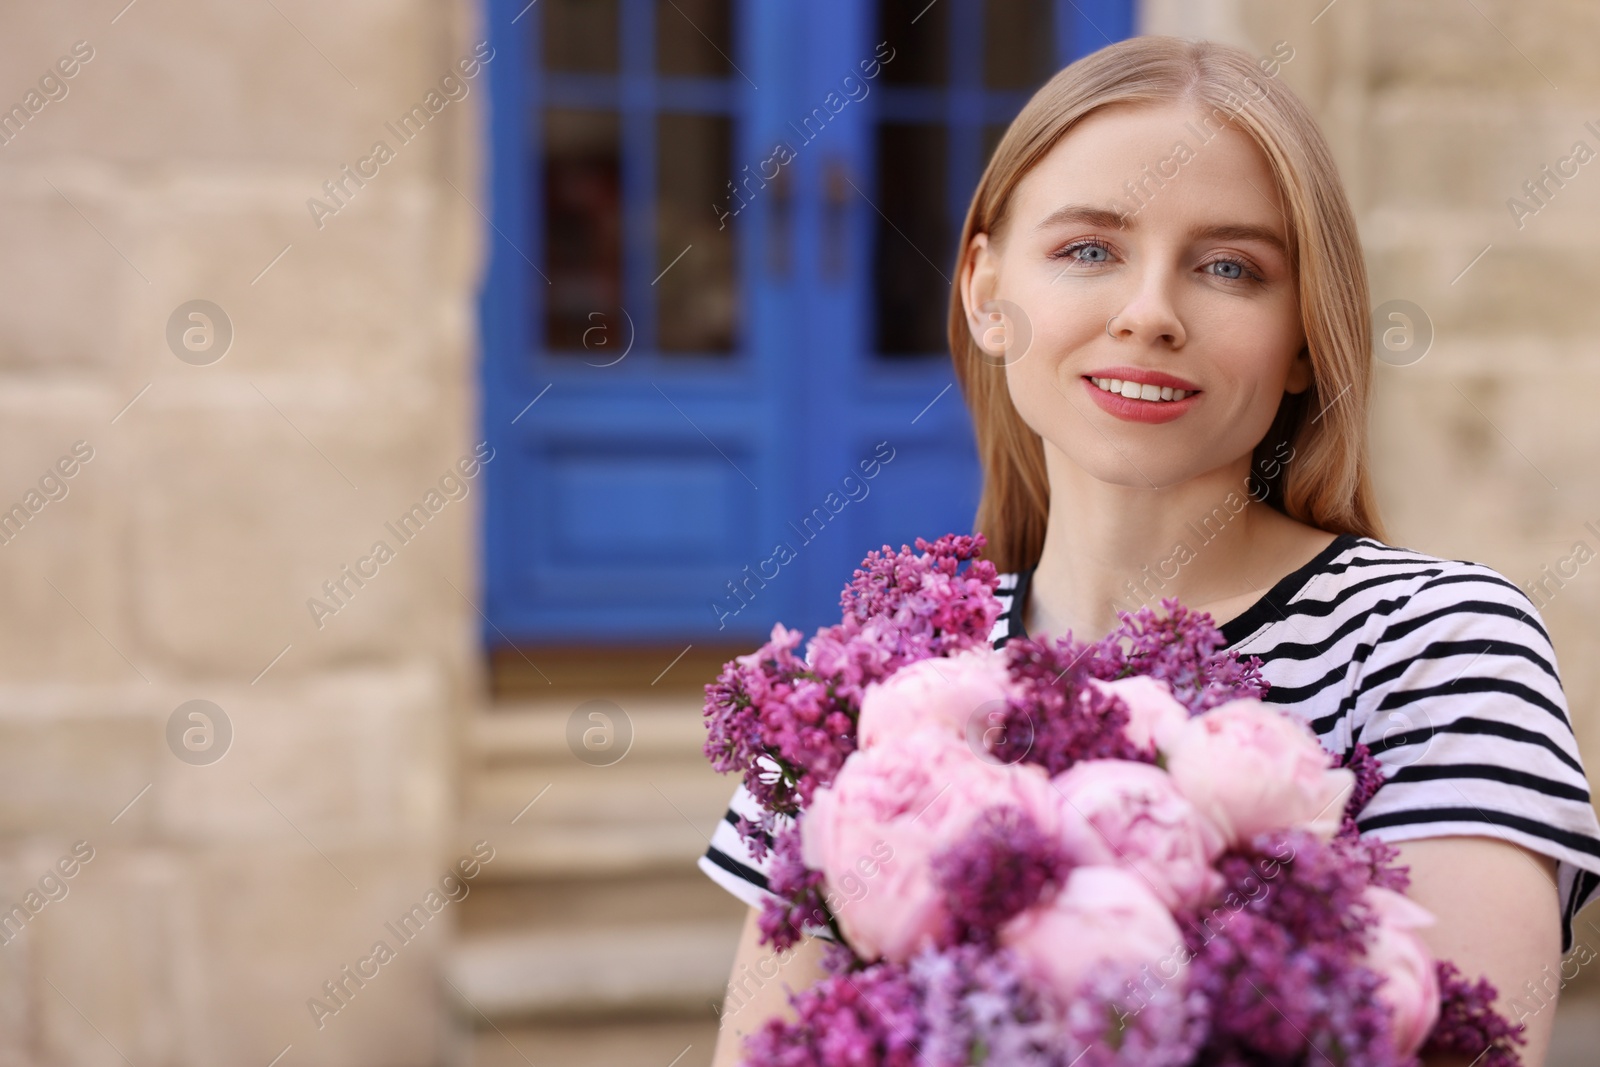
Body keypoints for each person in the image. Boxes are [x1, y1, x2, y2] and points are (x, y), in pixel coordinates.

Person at [701, 35, 1600, 1067]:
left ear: (1305, 336)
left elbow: (1465, 1042)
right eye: (1089, 249)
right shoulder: (866, 688)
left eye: (1229, 267)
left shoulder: (1433, 645)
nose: (1149, 313)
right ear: (986, 293)